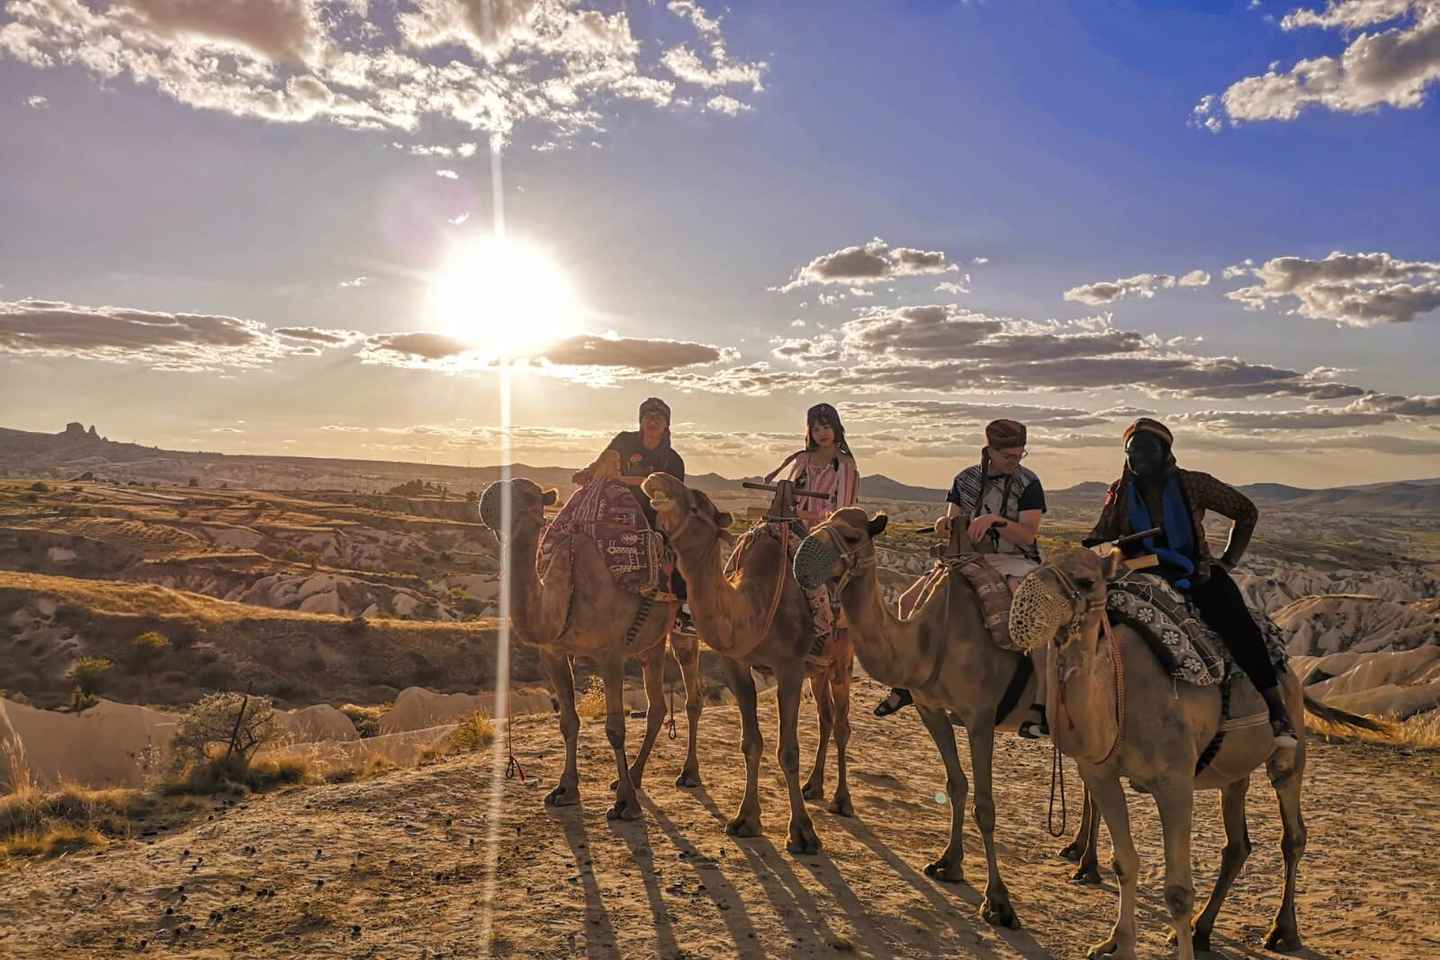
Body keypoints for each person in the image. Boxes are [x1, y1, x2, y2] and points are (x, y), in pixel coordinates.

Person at [1086, 417, 1297, 749]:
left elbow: (1246, 511)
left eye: (1145, 451)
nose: (1137, 459)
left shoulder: (1194, 485)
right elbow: (1104, 533)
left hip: (1192, 573)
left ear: (1165, 452)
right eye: (1131, 453)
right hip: (1138, 572)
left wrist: (1227, 561)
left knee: (1236, 623)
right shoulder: (1120, 491)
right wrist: (1097, 547)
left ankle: (1276, 709)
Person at [874, 418, 1050, 738]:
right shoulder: (965, 480)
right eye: (1009, 455)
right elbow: (952, 520)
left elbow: (1027, 535)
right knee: (908, 600)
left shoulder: (1028, 483)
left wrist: (995, 521)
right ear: (990, 451)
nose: (1015, 461)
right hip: (966, 557)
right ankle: (906, 682)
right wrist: (945, 524)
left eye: (1020, 455)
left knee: (1031, 612)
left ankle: (1042, 702)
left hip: (1014, 559)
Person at [572, 397, 693, 631]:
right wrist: (588, 472)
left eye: (659, 417)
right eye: (648, 416)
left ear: (666, 425)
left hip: (653, 513)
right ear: (640, 421)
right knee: (574, 534)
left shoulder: (673, 459)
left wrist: (621, 480)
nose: (653, 421)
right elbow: (603, 460)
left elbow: (665, 487)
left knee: (678, 547)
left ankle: (682, 611)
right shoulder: (624, 441)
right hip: (613, 509)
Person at [765, 402, 861, 530]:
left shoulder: (845, 464)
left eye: (826, 427)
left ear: (835, 428)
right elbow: (793, 494)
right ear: (810, 433)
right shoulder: (803, 459)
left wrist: (805, 515)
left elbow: (843, 511)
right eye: (816, 430)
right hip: (793, 525)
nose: (821, 433)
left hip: (826, 531)